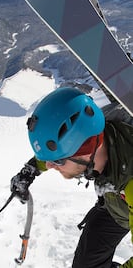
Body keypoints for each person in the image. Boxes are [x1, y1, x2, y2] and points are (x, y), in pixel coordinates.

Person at [10, 87, 133, 268]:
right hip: (113, 203)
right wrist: (31, 169)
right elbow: (61, 149)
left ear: (87, 151)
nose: (50, 166)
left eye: (57, 161)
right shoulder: (98, 133)